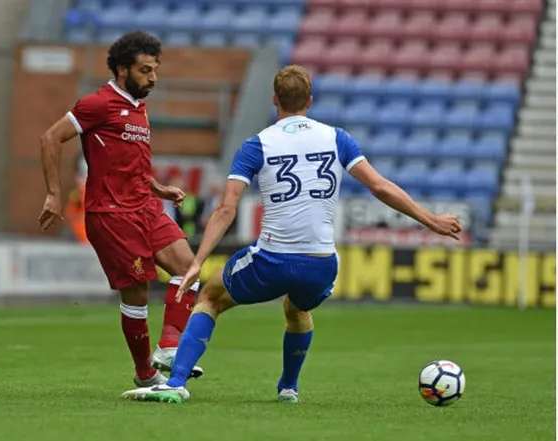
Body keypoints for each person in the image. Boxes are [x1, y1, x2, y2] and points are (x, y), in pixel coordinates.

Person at [121, 65, 463, 404]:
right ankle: (288, 388)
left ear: (274, 99)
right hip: (321, 263)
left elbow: (227, 208)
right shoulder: (337, 138)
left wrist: (198, 261)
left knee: (210, 297)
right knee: (298, 310)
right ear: (310, 100)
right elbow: (379, 186)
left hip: (273, 259)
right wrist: (430, 220)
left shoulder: (257, 145)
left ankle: (176, 382)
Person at [38, 31, 203, 389]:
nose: (153, 78)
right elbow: (49, 138)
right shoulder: (97, 104)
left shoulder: (139, 107)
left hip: (145, 206)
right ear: (122, 69)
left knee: (189, 270)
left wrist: (157, 187)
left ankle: (169, 347)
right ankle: (145, 373)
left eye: (155, 70)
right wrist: (53, 194)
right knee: (138, 294)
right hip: (111, 214)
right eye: (145, 70)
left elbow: (129, 160)